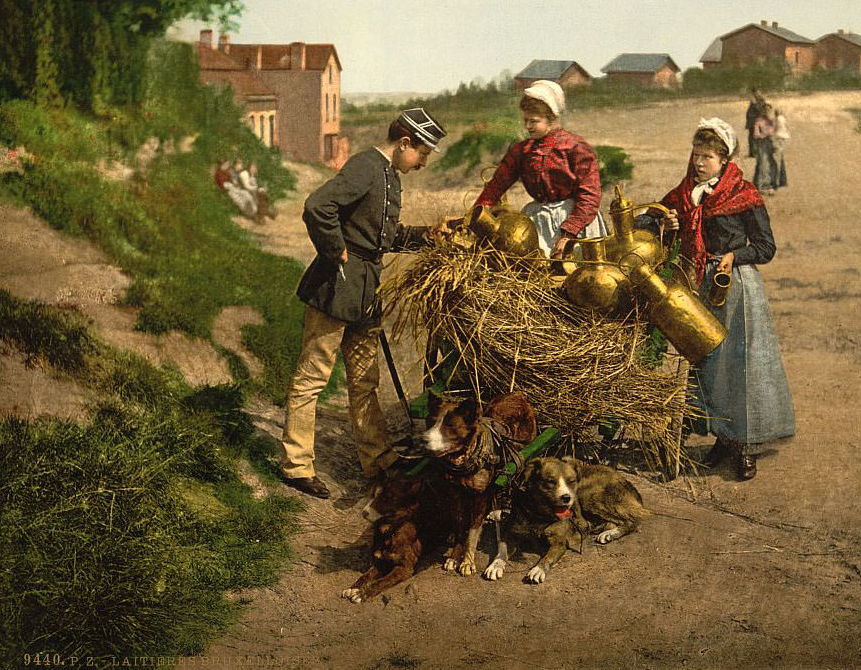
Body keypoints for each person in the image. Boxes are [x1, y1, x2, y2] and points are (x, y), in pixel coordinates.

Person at [281, 108, 452, 498]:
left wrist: (428, 236)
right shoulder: (365, 166)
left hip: (365, 291)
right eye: (423, 154)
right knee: (312, 378)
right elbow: (316, 206)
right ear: (405, 143)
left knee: (364, 380)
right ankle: (296, 465)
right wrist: (336, 250)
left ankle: (377, 459)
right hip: (337, 286)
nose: (424, 163)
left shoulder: (389, 175)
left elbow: (380, 237)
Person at [639, 117, 794, 480]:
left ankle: (746, 447)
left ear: (724, 159)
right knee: (708, 363)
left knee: (741, 367)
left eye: (707, 156)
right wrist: (667, 225)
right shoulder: (684, 193)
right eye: (696, 155)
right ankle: (722, 439)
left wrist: (734, 256)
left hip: (737, 288)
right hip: (701, 290)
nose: (699, 163)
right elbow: (649, 219)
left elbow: (766, 247)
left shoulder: (744, 194)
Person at [473, 80, 606, 259]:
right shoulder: (522, 151)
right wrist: (475, 216)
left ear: (552, 119)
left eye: (534, 121)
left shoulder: (576, 147)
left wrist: (569, 232)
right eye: (525, 120)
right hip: (537, 220)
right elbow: (496, 186)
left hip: (575, 218)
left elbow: (590, 195)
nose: (528, 126)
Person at [751, 104, 777, 195]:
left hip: (770, 143)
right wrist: (765, 134)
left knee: (767, 164)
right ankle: (764, 186)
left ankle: (757, 184)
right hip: (761, 143)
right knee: (763, 164)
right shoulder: (759, 121)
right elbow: (756, 134)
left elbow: (774, 131)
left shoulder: (771, 121)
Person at [745, 90, 767, 159]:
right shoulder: (755, 102)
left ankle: (756, 152)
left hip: (756, 122)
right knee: (751, 138)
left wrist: (754, 104)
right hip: (752, 122)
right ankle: (752, 153)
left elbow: (760, 111)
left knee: (755, 137)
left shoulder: (760, 102)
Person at [772, 109, 789, 190]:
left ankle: (776, 181)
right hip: (784, 138)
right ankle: (783, 181)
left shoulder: (776, 119)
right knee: (781, 159)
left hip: (778, 138)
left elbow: (774, 129)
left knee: (776, 160)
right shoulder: (783, 118)